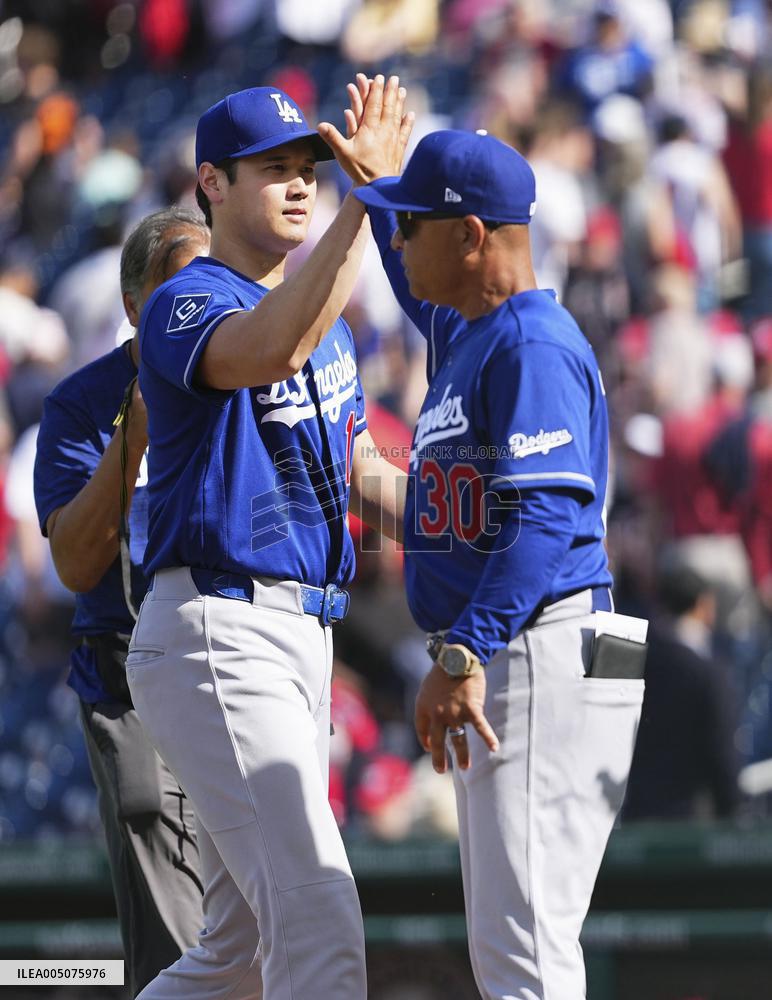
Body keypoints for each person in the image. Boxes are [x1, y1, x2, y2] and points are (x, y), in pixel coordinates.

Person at [126, 79, 411, 999]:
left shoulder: (328, 328)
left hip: (297, 637)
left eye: (310, 170)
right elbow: (266, 351)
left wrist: (486, 526)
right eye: (273, 168)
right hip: (221, 626)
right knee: (317, 916)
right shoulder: (185, 301)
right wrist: (366, 202)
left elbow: (359, 470)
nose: (299, 184)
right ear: (212, 184)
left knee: (239, 955)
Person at [354, 120, 645, 999]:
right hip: (524, 650)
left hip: (540, 647)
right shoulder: (473, 333)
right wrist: (380, 191)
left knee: (524, 951)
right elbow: (417, 283)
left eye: (412, 225)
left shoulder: (530, 344)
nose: (399, 243)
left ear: (472, 236)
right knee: (511, 946)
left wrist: (462, 653)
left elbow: (544, 522)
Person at [33, 208, 211, 997]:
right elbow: (75, 561)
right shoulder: (82, 403)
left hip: (237, 664)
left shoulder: (245, 377)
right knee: (178, 947)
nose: (201, 306)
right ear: (135, 306)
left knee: (269, 919)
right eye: (180, 291)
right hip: (128, 675)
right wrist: (131, 439)